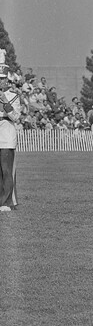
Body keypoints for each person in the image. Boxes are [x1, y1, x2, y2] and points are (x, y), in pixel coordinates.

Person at [0, 60, 21, 212]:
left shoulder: (13, 96)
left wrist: (5, 102)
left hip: (6, 135)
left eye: (2, 78)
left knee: (6, 170)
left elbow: (16, 117)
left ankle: (7, 202)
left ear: (6, 79)